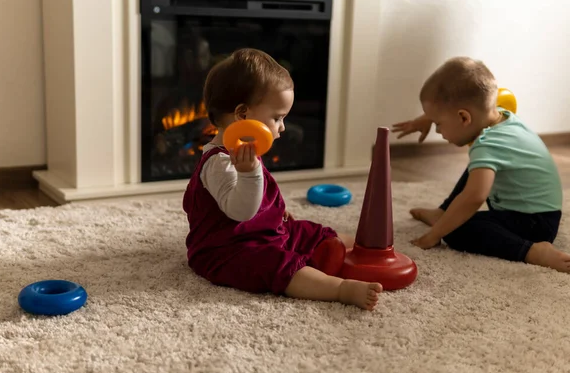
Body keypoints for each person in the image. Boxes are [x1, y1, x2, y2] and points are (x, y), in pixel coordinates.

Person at [182, 48, 383, 309]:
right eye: (277, 118)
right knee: (276, 266)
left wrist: (274, 210)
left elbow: (257, 198)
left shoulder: (244, 150)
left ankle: (360, 252)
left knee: (310, 232)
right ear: (243, 115)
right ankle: (340, 289)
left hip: (265, 232)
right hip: (228, 249)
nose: (283, 127)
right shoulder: (219, 163)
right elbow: (241, 210)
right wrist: (249, 173)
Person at [391, 56, 570, 273]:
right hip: (540, 215)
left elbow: (474, 197)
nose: (437, 131)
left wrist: (435, 234)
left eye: (438, 124)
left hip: (534, 226)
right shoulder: (502, 116)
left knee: (457, 229)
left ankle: (532, 251)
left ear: (464, 118)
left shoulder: (487, 145)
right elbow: (462, 101)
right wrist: (427, 118)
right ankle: (443, 213)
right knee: (475, 171)